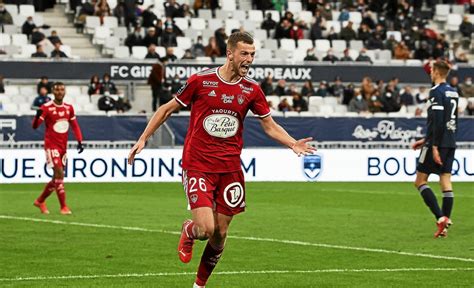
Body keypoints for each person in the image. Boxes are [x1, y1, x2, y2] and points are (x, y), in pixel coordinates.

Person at [127, 32, 315, 288]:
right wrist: (143, 138)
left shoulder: (252, 90)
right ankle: (189, 230)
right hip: (198, 165)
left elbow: (269, 126)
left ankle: (199, 285)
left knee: (220, 234)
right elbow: (166, 109)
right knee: (205, 229)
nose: (249, 59)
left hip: (229, 169)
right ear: (230, 54)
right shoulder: (201, 81)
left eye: (252, 54)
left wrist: (292, 142)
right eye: (244, 54)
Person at [411, 60, 458, 238]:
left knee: (420, 181)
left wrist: (433, 145)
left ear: (437, 72)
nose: (430, 73)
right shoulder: (453, 92)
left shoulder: (435, 92)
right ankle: (444, 226)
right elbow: (447, 122)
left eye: (431, 70)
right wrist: (425, 140)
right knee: (445, 181)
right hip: (451, 141)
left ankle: (441, 218)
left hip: (436, 144)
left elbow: (437, 121)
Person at [32, 82, 84, 215]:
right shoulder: (46, 107)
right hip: (51, 146)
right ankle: (63, 207)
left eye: (62, 89)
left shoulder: (69, 108)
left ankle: (40, 201)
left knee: (57, 178)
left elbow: (75, 125)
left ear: (65, 92)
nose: (60, 92)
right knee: (60, 174)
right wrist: (37, 116)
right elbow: (35, 126)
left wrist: (79, 141)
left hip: (63, 147)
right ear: (53, 92)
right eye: (57, 90)